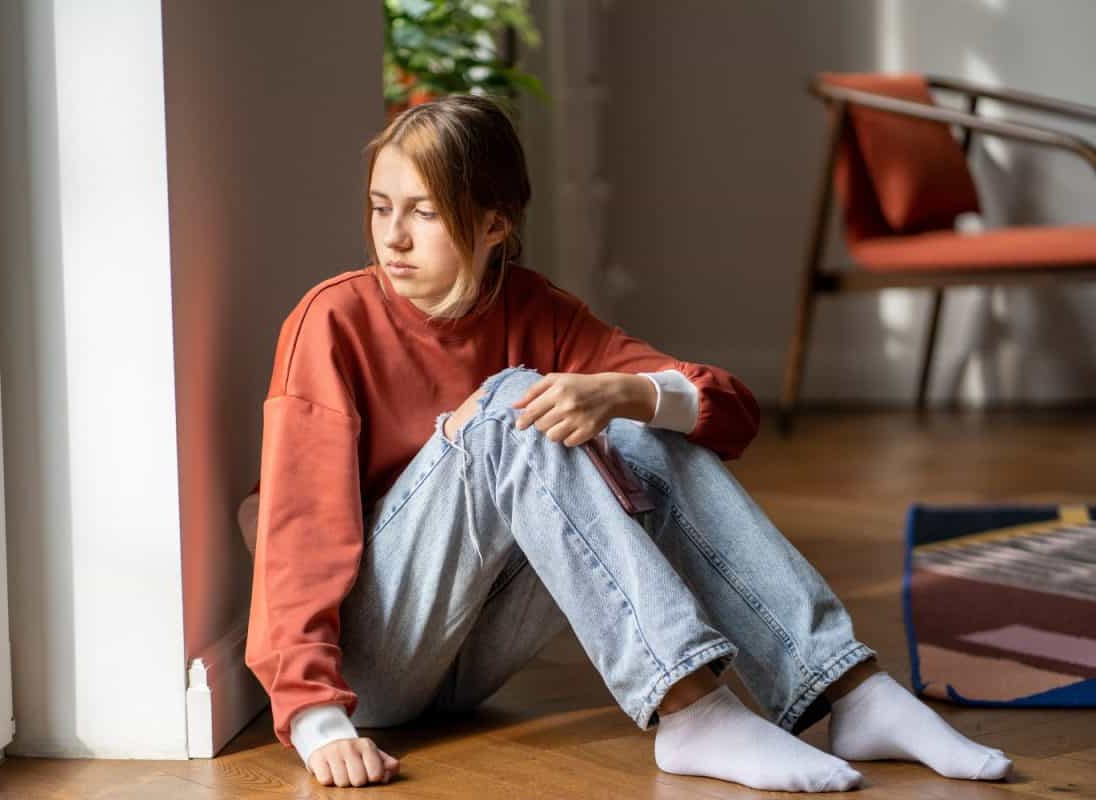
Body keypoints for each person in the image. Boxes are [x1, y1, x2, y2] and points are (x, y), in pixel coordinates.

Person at [243, 94, 1013, 791]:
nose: (394, 238)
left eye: (425, 213)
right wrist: (314, 716)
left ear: (492, 223)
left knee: (641, 429)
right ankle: (691, 710)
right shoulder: (333, 321)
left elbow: (731, 414)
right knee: (515, 402)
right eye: (381, 209)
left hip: (468, 660)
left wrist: (626, 393)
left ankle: (850, 688)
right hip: (372, 661)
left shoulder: (538, 309)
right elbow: (297, 527)